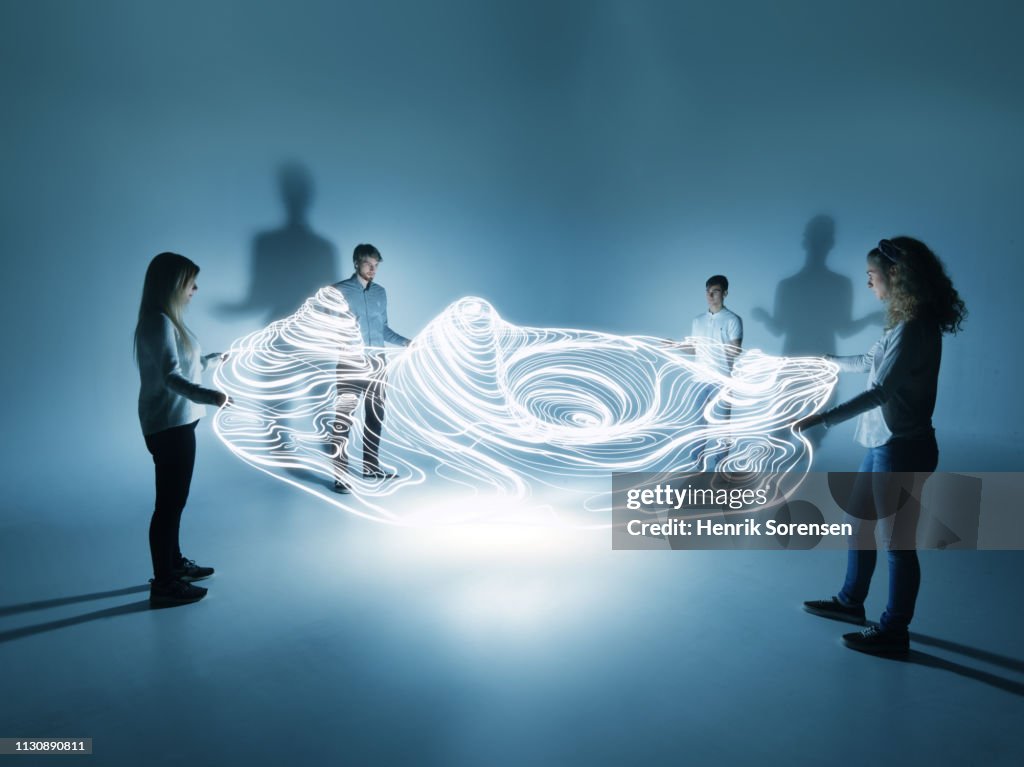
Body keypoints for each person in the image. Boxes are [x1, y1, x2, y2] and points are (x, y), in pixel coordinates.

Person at [796, 237, 967, 656]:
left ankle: (894, 630)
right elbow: (869, 362)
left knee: (897, 543)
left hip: (902, 449)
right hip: (883, 443)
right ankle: (851, 603)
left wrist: (822, 418)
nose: (868, 282)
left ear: (895, 276)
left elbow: (879, 391)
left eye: (872, 275)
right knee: (859, 524)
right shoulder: (902, 323)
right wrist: (827, 361)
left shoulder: (913, 328)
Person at [134, 252, 230, 607]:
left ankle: (174, 565)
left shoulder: (165, 321)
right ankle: (163, 584)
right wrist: (212, 396)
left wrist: (210, 361)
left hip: (178, 422)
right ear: (173, 284)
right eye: (190, 281)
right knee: (169, 505)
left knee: (176, 502)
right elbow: (171, 378)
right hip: (169, 426)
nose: (195, 288)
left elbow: (183, 367)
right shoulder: (158, 322)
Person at [331, 244, 412, 493]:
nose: (373, 269)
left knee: (375, 419)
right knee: (343, 421)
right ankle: (340, 476)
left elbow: (383, 328)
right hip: (350, 366)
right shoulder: (338, 291)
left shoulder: (380, 292)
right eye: (368, 264)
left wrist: (406, 342)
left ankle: (370, 467)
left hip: (378, 366)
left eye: (376, 265)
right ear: (356, 262)